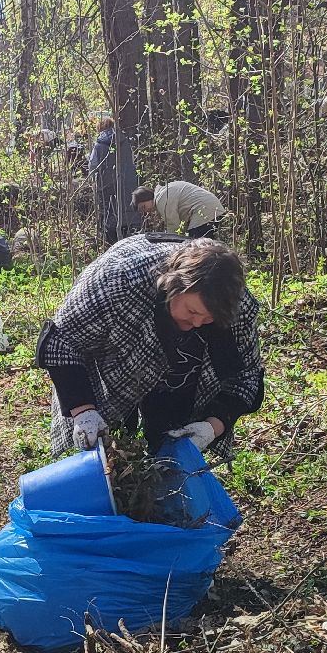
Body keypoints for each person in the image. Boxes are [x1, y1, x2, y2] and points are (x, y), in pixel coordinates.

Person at [35, 234, 263, 457]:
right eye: (192, 311)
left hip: (179, 379)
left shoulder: (237, 307)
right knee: (105, 451)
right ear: (174, 285)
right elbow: (61, 341)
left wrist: (212, 427)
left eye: (207, 319)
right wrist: (83, 410)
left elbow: (246, 378)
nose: (196, 323)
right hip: (112, 362)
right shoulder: (119, 280)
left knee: (165, 452)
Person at [135, 181, 224, 238]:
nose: (146, 211)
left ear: (148, 198)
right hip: (213, 209)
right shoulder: (164, 191)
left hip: (203, 212)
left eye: (144, 207)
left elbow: (174, 227)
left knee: (198, 250)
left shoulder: (161, 200)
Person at [86, 116, 125, 244]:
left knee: (107, 209)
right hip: (124, 181)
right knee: (122, 207)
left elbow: (93, 165)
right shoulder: (124, 140)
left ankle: (109, 239)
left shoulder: (99, 144)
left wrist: (92, 178)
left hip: (105, 182)